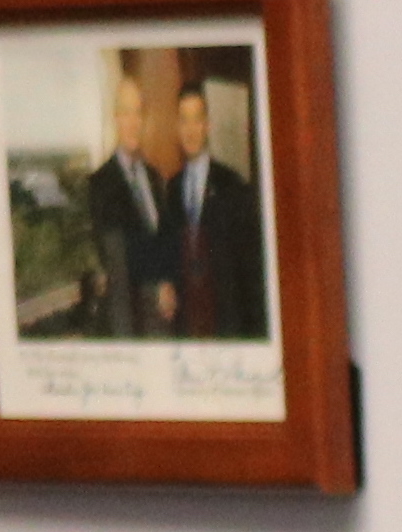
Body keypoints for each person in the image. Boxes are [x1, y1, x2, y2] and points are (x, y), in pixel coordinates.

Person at [163, 67, 263, 338]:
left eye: (197, 120)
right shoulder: (171, 189)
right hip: (188, 326)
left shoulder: (233, 185)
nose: (191, 130)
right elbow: (169, 253)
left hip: (227, 324)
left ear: (208, 125)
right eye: (184, 120)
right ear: (177, 127)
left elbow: (251, 274)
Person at [73, 61, 168, 338]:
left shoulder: (154, 178)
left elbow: (162, 242)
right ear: (115, 118)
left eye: (138, 113)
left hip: (160, 323)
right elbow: (101, 266)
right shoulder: (99, 184)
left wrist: (167, 281)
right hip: (127, 327)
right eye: (125, 113)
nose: (132, 122)